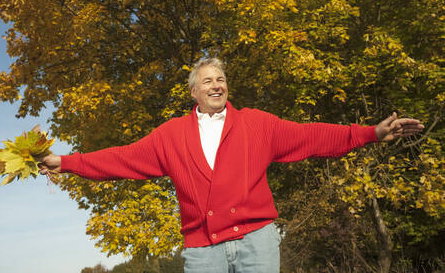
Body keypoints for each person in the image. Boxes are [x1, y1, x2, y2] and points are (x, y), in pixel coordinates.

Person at [39, 58, 424, 273]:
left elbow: (314, 137)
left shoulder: (257, 124)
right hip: (202, 250)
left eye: (221, 79)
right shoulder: (169, 135)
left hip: (257, 241)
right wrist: (65, 162)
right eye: (207, 81)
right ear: (194, 92)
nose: (216, 85)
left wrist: (370, 132)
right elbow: (120, 158)